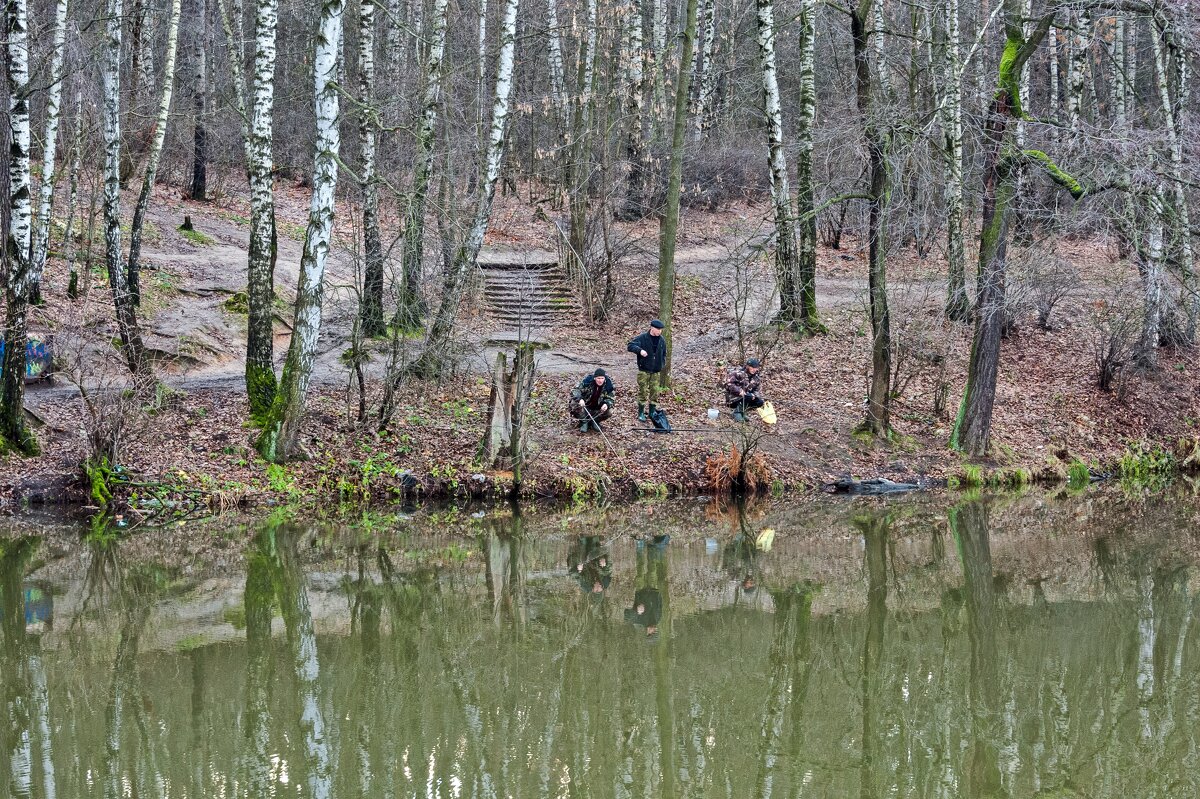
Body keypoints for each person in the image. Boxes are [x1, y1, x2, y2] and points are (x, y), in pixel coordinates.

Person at [627, 319, 667, 422]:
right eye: (658, 329)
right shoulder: (643, 338)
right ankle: (641, 413)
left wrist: (661, 364)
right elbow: (630, 346)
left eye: (660, 329)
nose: (659, 331)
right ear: (652, 328)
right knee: (643, 392)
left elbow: (664, 353)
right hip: (644, 370)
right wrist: (640, 351)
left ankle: (652, 412)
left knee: (655, 392)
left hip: (656, 371)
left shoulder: (662, 340)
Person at [721, 357, 766, 422]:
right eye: (752, 367)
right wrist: (739, 391)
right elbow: (728, 384)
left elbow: (757, 390)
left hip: (746, 399)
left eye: (756, 368)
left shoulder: (757, 378)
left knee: (760, 402)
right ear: (747, 366)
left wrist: (754, 395)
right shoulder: (737, 373)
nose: (754, 369)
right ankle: (737, 413)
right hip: (732, 399)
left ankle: (742, 412)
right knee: (747, 396)